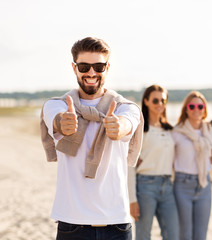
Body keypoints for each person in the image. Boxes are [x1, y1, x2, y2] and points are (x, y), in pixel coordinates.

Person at [40, 37, 143, 240]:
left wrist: (118, 127)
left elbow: (127, 123)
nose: (91, 73)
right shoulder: (56, 105)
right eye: (84, 66)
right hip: (72, 224)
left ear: (107, 68)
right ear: (74, 68)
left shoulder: (125, 107)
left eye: (99, 66)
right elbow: (56, 119)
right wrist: (64, 123)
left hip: (117, 225)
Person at [128, 84, 179, 240]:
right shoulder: (139, 130)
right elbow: (129, 166)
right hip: (145, 187)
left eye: (163, 100)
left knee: (173, 234)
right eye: (155, 100)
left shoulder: (170, 130)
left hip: (167, 187)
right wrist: (132, 200)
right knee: (143, 235)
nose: (160, 104)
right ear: (147, 101)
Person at [172, 91, 212, 240]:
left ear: (204, 109)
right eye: (192, 106)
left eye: (200, 105)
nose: (196, 109)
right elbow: (170, 161)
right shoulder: (177, 132)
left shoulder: (210, 131)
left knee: (201, 234)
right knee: (185, 234)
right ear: (186, 109)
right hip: (182, 185)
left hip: (204, 185)